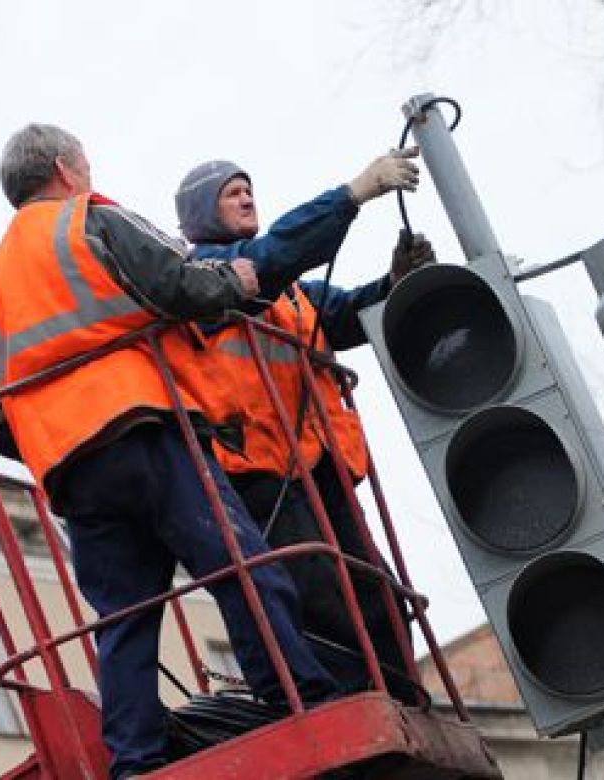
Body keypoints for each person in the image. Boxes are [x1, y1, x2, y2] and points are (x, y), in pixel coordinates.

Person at [0, 124, 349, 779]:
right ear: (64, 167)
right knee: (243, 566)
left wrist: (49, 425)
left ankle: (134, 761)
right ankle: (300, 697)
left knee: (124, 614)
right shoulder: (91, 221)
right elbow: (182, 284)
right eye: (83, 159)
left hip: (70, 466)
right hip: (142, 428)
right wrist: (242, 277)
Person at [173, 155, 435, 702]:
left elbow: (344, 311)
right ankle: (355, 704)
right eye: (232, 193)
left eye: (250, 189)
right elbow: (270, 260)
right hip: (262, 473)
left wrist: (393, 284)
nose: (248, 199)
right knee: (317, 598)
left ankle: (402, 697)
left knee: (375, 590)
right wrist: (351, 194)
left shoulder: (292, 292)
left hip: (319, 465)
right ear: (202, 214)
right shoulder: (199, 281)